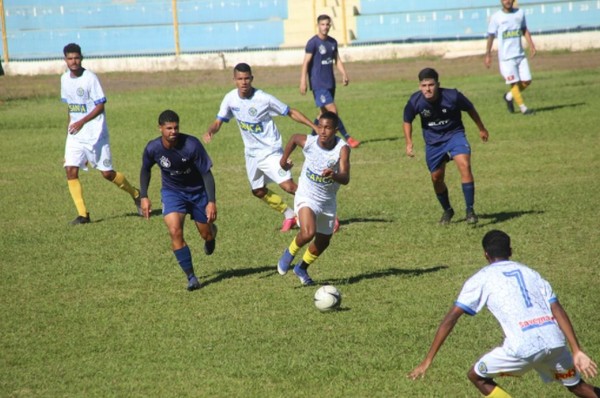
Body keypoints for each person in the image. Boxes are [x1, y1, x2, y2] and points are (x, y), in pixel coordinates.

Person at [408, 230, 599, 398]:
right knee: (577, 386)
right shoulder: (531, 273)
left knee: (477, 376)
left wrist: (428, 360)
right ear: (510, 251)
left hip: (522, 348)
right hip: (555, 343)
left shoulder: (481, 278)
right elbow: (556, 308)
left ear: (486, 254)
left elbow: (450, 319)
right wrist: (576, 350)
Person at [203, 62, 318, 232]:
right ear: (234, 80)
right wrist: (211, 131)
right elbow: (218, 121)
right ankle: (288, 214)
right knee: (257, 190)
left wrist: (315, 127)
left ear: (252, 79)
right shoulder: (230, 99)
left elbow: (290, 111)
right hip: (251, 154)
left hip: (270, 151)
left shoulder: (263, 98)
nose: (244, 82)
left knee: (289, 187)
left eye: (247, 78)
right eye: (240, 79)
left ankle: (323, 211)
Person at [61, 43, 141, 225]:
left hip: (96, 134)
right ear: (65, 60)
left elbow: (100, 105)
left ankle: (136, 193)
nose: (73, 61)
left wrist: (82, 122)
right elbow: (70, 107)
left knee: (107, 174)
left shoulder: (90, 78)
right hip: (75, 135)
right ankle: (83, 215)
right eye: (70, 58)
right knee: (70, 170)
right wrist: (70, 131)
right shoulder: (64, 79)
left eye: (76, 58)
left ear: (82, 58)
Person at [140, 110, 217, 291]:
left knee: (206, 233)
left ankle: (211, 235)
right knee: (175, 231)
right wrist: (144, 196)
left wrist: (211, 201)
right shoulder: (153, 148)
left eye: (175, 127)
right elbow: (145, 169)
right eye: (168, 128)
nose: (173, 131)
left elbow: (206, 174)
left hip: (198, 193)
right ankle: (191, 277)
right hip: (172, 193)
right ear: (160, 128)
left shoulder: (192, 145)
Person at [403, 67, 489, 225]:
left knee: (464, 165)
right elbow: (407, 120)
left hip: (454, 135)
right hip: (433, 142)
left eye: (431, 85)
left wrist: (481, 128)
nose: (427, 89)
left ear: (438, 84)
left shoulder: (452, 96)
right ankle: (448, 210)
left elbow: (470, 108)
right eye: (424, 86)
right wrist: (409, 142)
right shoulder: (415, 101)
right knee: (436, 178)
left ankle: (470, 210)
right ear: (419, 86)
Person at [277, 111, 350, 286]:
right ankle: (289, 253)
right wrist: (283, 161)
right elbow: (294, 138)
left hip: (327, 201)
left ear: (336, 130)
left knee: (324, 241)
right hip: (306, 195)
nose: (322, 131)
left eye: (327, 128)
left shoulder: (342, 149)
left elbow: (346, 177)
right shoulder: (310, 142)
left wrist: (334, 175)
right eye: (319, 126)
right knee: (308, 232)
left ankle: (301, 268)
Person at [300, 14, 361, 149]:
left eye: (327, 24)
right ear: (318, 25)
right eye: (322, 24)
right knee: (332, 111)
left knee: (322, 114)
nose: (325, 27)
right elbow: (305, 63)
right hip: (318, 83)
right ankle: (348, 138)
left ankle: (311, 140)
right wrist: (303, 81)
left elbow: (337, 60)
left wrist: (344, 74)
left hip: (330, 83)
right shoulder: (313, 43)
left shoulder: (332, 42)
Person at [485, 0, 537, 115]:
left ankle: (509, 96)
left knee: (527, 81)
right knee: (514, 82)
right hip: (506, 58)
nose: (507, 1)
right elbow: (491, 36)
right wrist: (488, 54)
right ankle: (524, 109)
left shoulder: (520, 13)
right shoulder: (496, 17)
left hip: (520, 54)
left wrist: (531, 44)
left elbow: (524, 29)